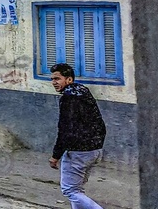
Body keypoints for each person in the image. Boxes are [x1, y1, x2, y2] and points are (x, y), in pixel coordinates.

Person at [49, 63, 106, 209]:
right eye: (52, 79)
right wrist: (98, 145)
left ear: (69, 80)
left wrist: (56, 156)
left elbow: (65, 130)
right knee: (77, 191)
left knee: (70, 190)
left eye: (57, 79)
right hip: (94, 150)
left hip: (78, 152)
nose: (54, 82)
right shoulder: (84, 92)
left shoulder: (68, 98)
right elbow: (100, 124)